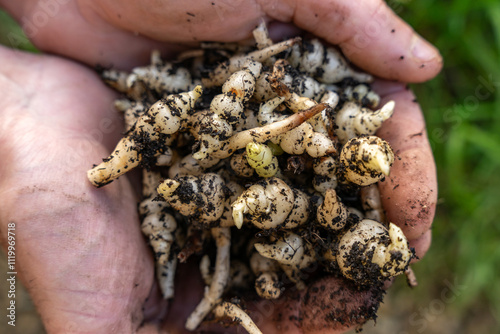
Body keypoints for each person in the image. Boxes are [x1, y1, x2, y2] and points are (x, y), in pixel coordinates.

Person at [0, 0, 441, 333]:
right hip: (239, 134)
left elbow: (305, 182)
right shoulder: (227, 119)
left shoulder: (325, 182)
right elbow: (248, 133)